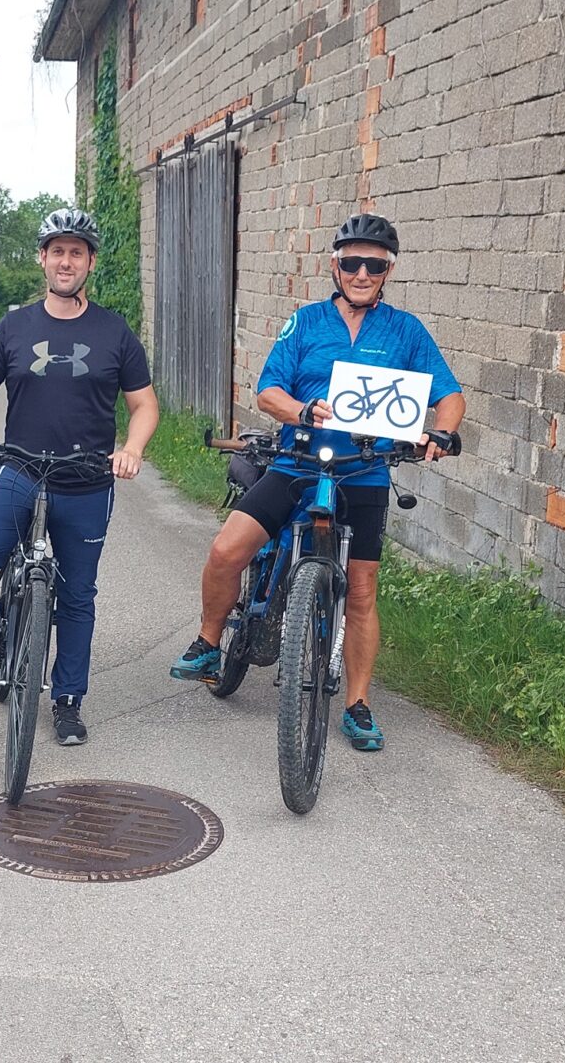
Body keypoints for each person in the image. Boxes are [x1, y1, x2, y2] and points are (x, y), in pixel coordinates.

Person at [169, 213, 465, 751]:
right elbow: (268, 391)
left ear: (387, 272)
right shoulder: (304, 323)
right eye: (351, 262)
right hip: (297, 462)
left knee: (361, 592)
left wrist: (441, 433)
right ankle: (209, 641)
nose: (361, 272)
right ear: (335, 265)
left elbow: (448, 395)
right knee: (225, 551)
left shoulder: (406, 331)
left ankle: (356, 704)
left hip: (365, 471)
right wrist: (302, 410)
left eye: (373, 265)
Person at [0, 208, 160, 746]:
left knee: (78, 595)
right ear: (42, 258)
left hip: (86, 481)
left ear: (90, 262)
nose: (66, 261)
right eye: (57, 251)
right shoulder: (15, 327)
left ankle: (67, 700)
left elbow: (145, 405)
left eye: (76, 252)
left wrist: (131, 449)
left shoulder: (114, 332)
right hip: (20, 471)